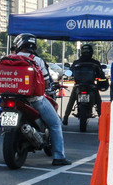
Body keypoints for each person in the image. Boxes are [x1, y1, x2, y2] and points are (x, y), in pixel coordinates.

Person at [12, 33, 71, 166]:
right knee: (55, 123)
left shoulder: (11, 58)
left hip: (12, 98)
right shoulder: (37, 60)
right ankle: (59, 157)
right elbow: (45, 81)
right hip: (34, 100)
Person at [62, 43, 103, 125]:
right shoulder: (95, 63)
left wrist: (65, 75)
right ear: (91, 52)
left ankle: (65, 118)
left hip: (79, 85)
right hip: (91, 86)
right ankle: (101, 119)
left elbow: (69, 72)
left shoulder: (76, 62)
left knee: (72, 100)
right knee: (99, 102)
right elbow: (101, 74)